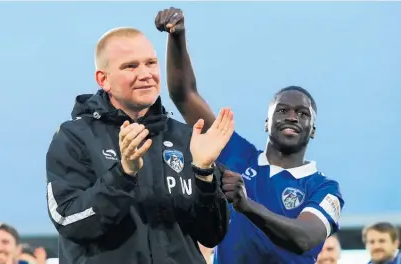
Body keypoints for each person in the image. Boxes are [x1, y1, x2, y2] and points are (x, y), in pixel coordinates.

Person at [156, 7, 345, 264]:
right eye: (282, 110)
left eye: (303, 114)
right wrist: (177, 36)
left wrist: (248, 207)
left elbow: (304, 239)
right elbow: (184, 94)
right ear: (267, 123)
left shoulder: (324, 188)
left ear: (313, 130)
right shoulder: (235, 152)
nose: (292, 117)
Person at [45, 22, 233, 264]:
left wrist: (204, 174)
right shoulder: (74, 137)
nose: (146, 74)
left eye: (151, 63)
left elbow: (212, 234)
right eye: (130, 66)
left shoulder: (185, 138)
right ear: (104, 79)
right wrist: (124, 174)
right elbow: (69, 220)